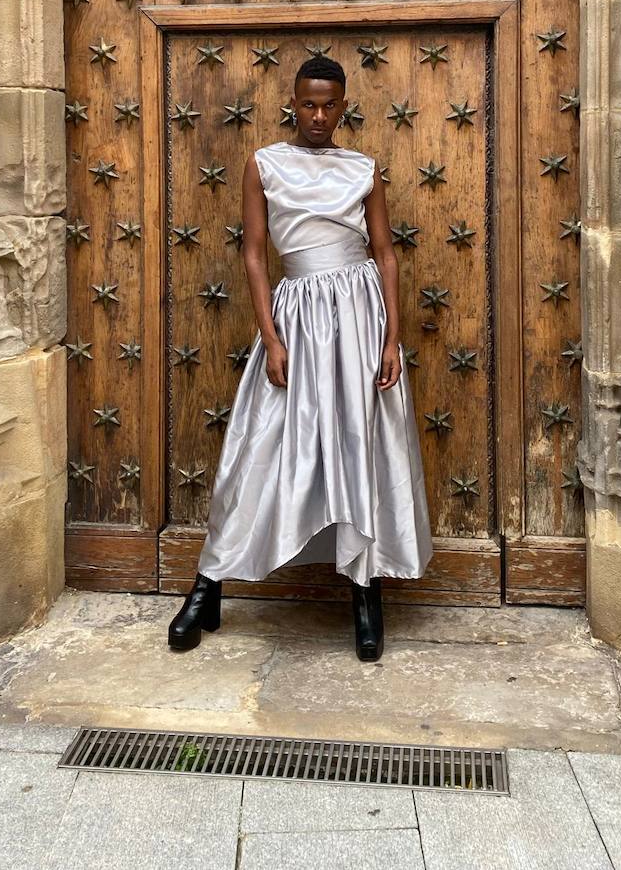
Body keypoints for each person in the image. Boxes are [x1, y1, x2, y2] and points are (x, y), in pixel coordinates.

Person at [168, 54, 433, 661]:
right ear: (293, 103)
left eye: (329, 104)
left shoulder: (363, 168)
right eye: (308, 104)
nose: (317, 115)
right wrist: (270, 333)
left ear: (344, 106)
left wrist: (392, 337)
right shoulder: (265, 164)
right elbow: (256, 255)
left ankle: (366, 596)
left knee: (357, 446)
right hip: (296, 317)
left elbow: (387, 253)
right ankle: (208, 589)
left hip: (359, 317)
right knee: (258, 451)